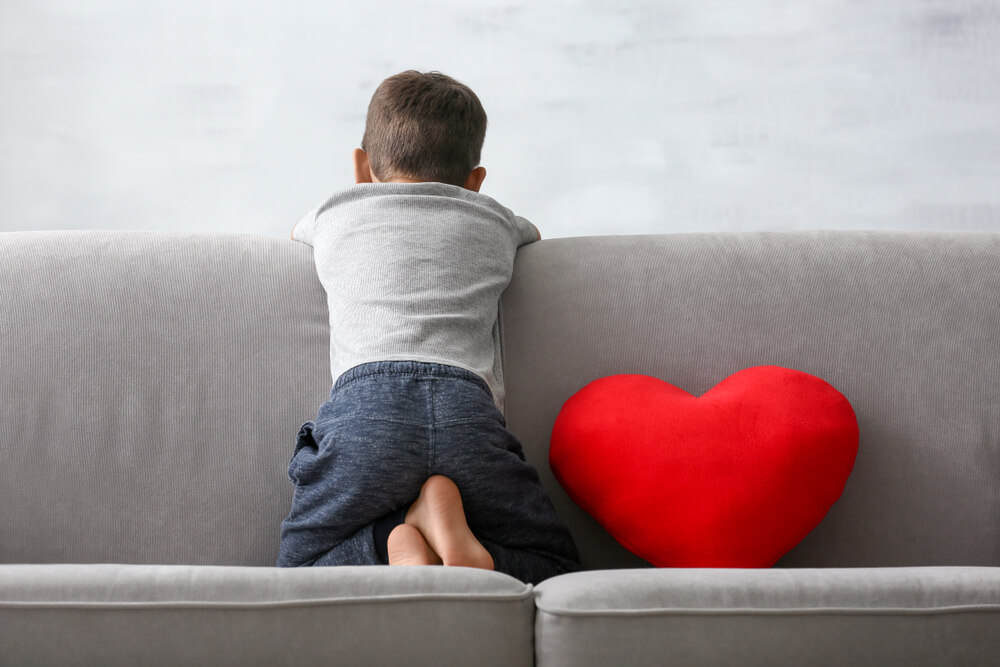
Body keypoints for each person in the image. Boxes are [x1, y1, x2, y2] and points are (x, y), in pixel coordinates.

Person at [276, 70, 580, 584]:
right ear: (476, 181)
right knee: (554, 566)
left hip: (366, 412)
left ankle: (392, 538)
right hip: (467, 412)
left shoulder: (335, 211)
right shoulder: (495, 218)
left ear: (361, 167)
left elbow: (293, 234)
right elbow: (535, 236)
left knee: (297, 571)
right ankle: (457, 540)